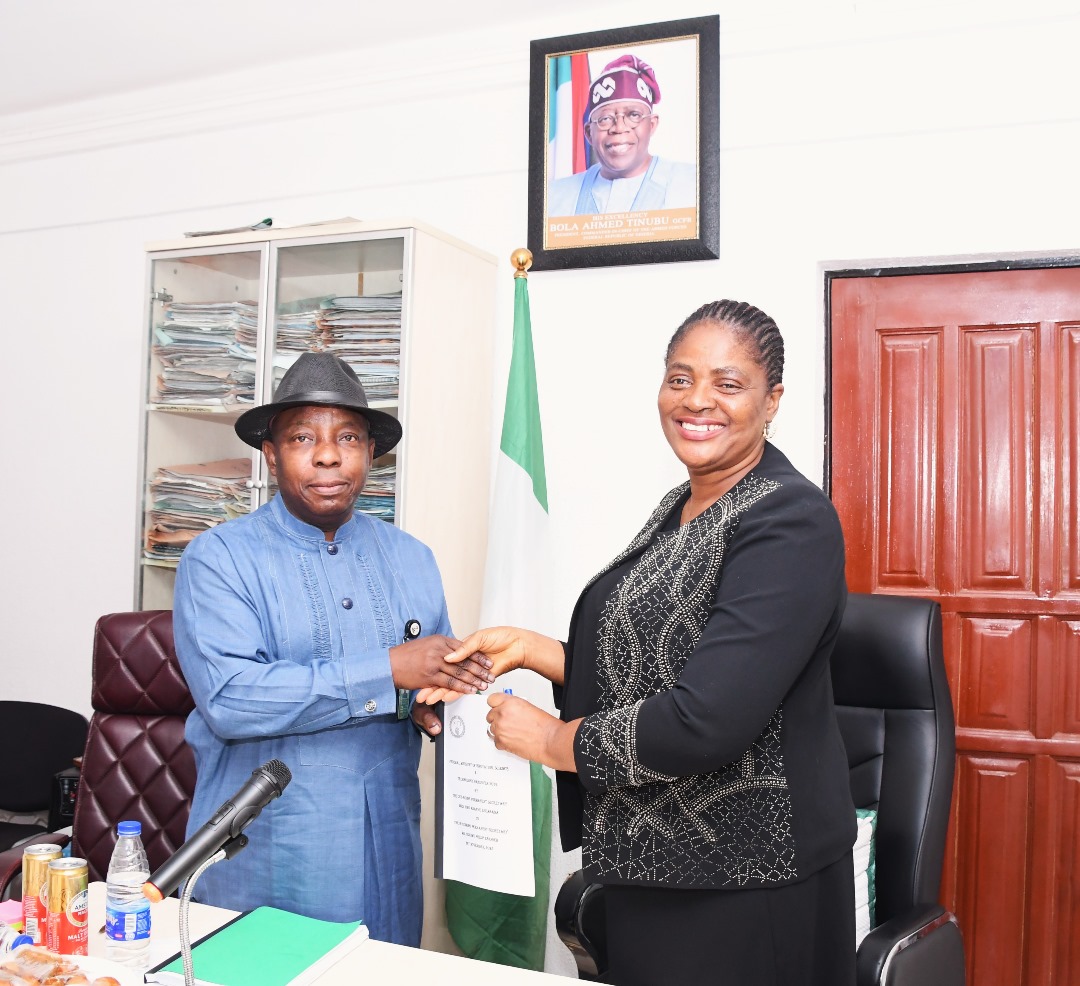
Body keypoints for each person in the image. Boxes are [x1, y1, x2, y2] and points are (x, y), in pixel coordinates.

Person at [424, 301, 857, 985]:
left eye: (728, 383)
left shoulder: (789, 519)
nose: (697, 401)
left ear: (773, 400)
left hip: (746, 882)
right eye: (679, 379)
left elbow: (705, 717)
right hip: (650, 866)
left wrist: (551, 743)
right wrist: (535, 650)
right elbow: (660, 665)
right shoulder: (681, 505)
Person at [173, 351, 493, 946]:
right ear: (270, 453)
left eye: (348, 437)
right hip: (263, 852)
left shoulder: (413, 559)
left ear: (372, 453)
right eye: (302, 437)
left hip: (385, 853)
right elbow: (231, 700)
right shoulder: (218, 559)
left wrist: (431, 700)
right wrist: (387, 671)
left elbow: (425, 683)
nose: (327, 454)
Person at [547, 53, 697, 217]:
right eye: (605, 119)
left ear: (651, 125)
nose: (619, 127)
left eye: (633, 115)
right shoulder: (555, 197)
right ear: (589, 133)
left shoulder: (693, 184)